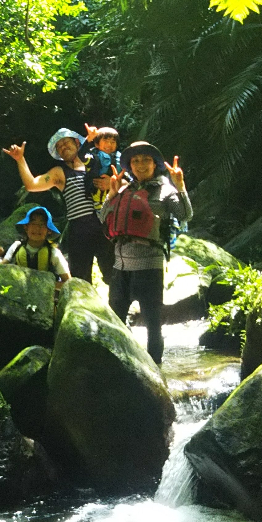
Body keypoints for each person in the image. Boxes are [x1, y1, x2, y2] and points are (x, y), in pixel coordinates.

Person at [99, 141, 192, 365]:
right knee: (116, 322)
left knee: (153, 324)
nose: (140, 165)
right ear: (130, 166)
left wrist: (180, 186)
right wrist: (110, 194)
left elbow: (186, 215)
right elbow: (103, 218)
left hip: (149, 267)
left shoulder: (166, 190)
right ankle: (119, 365)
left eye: (146, 160)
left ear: (155, 164)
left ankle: (155, 370)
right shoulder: (123, 191)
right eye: (135, 161)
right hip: (120, 268)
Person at [2, 127, 112, 285]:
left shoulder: (98, 161)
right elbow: (32, 185)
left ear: (76, 142)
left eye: (65, 143)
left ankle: (117, 309)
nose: (63, 148)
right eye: (59, 147)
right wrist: (20, 159)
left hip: (105, 225)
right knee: (81, 279)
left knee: (113, 274)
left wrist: (112, 182)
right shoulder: (59, 172)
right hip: (79, 228)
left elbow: (124, 182)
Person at [0, 205, 70, 288]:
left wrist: (46, 286)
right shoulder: (16, 247)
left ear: (49, 231)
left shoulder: (54, 253)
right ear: (26, 227)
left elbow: (68, 283)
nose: (37, 228)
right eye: (33, 224)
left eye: (42, 224)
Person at [82, 125, 122, 209]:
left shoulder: (121, 158)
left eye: (113, 142)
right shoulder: (93, 156)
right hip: (96, 198)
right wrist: (88, 139)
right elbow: (80, 156)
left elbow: (129, 178)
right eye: (105, 140)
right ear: (97, 144)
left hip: (116, 198)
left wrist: (116, 183)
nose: (109, 144)